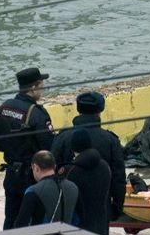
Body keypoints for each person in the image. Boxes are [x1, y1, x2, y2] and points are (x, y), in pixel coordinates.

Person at [0, 68, 56, 230]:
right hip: (32, 177)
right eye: (41, 85)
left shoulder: (3, 108)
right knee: (34, 222)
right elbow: (49, 148)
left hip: (12, 175)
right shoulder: (37, 114)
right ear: (33, 87)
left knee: (11, 219)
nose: (42, 88)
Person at [51, 91, 125, 221]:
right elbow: (118, 177)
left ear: (79, 110)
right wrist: (117, 208)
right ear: (99, 111)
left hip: (68, 208)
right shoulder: (110, 140)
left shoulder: (62, 138)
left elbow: (52, 172)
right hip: (100, 209)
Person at [13, 150, 82, 228]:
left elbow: (21, 224)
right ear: (54, 166)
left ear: (35, 167)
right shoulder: (73, 187)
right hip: (68, 234)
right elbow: (80, 219)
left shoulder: (33, 191)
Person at [64, 129, 112, 235]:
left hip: (81, 228)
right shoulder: (104, 166)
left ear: (74, 148)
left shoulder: (73, 172)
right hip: (101, 225)